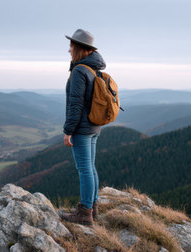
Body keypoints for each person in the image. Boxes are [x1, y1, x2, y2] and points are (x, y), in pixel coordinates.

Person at [60, 29, 106, 226]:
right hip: (94, 126)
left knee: (84, 169)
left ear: (79, 48)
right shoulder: (93, 68)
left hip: (82, 128)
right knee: (90, 168)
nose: (69, 50)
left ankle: (85, 213)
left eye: (71, 46)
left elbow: (75, 104)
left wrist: (68, 130)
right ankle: (92, 208)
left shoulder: (80, 71)